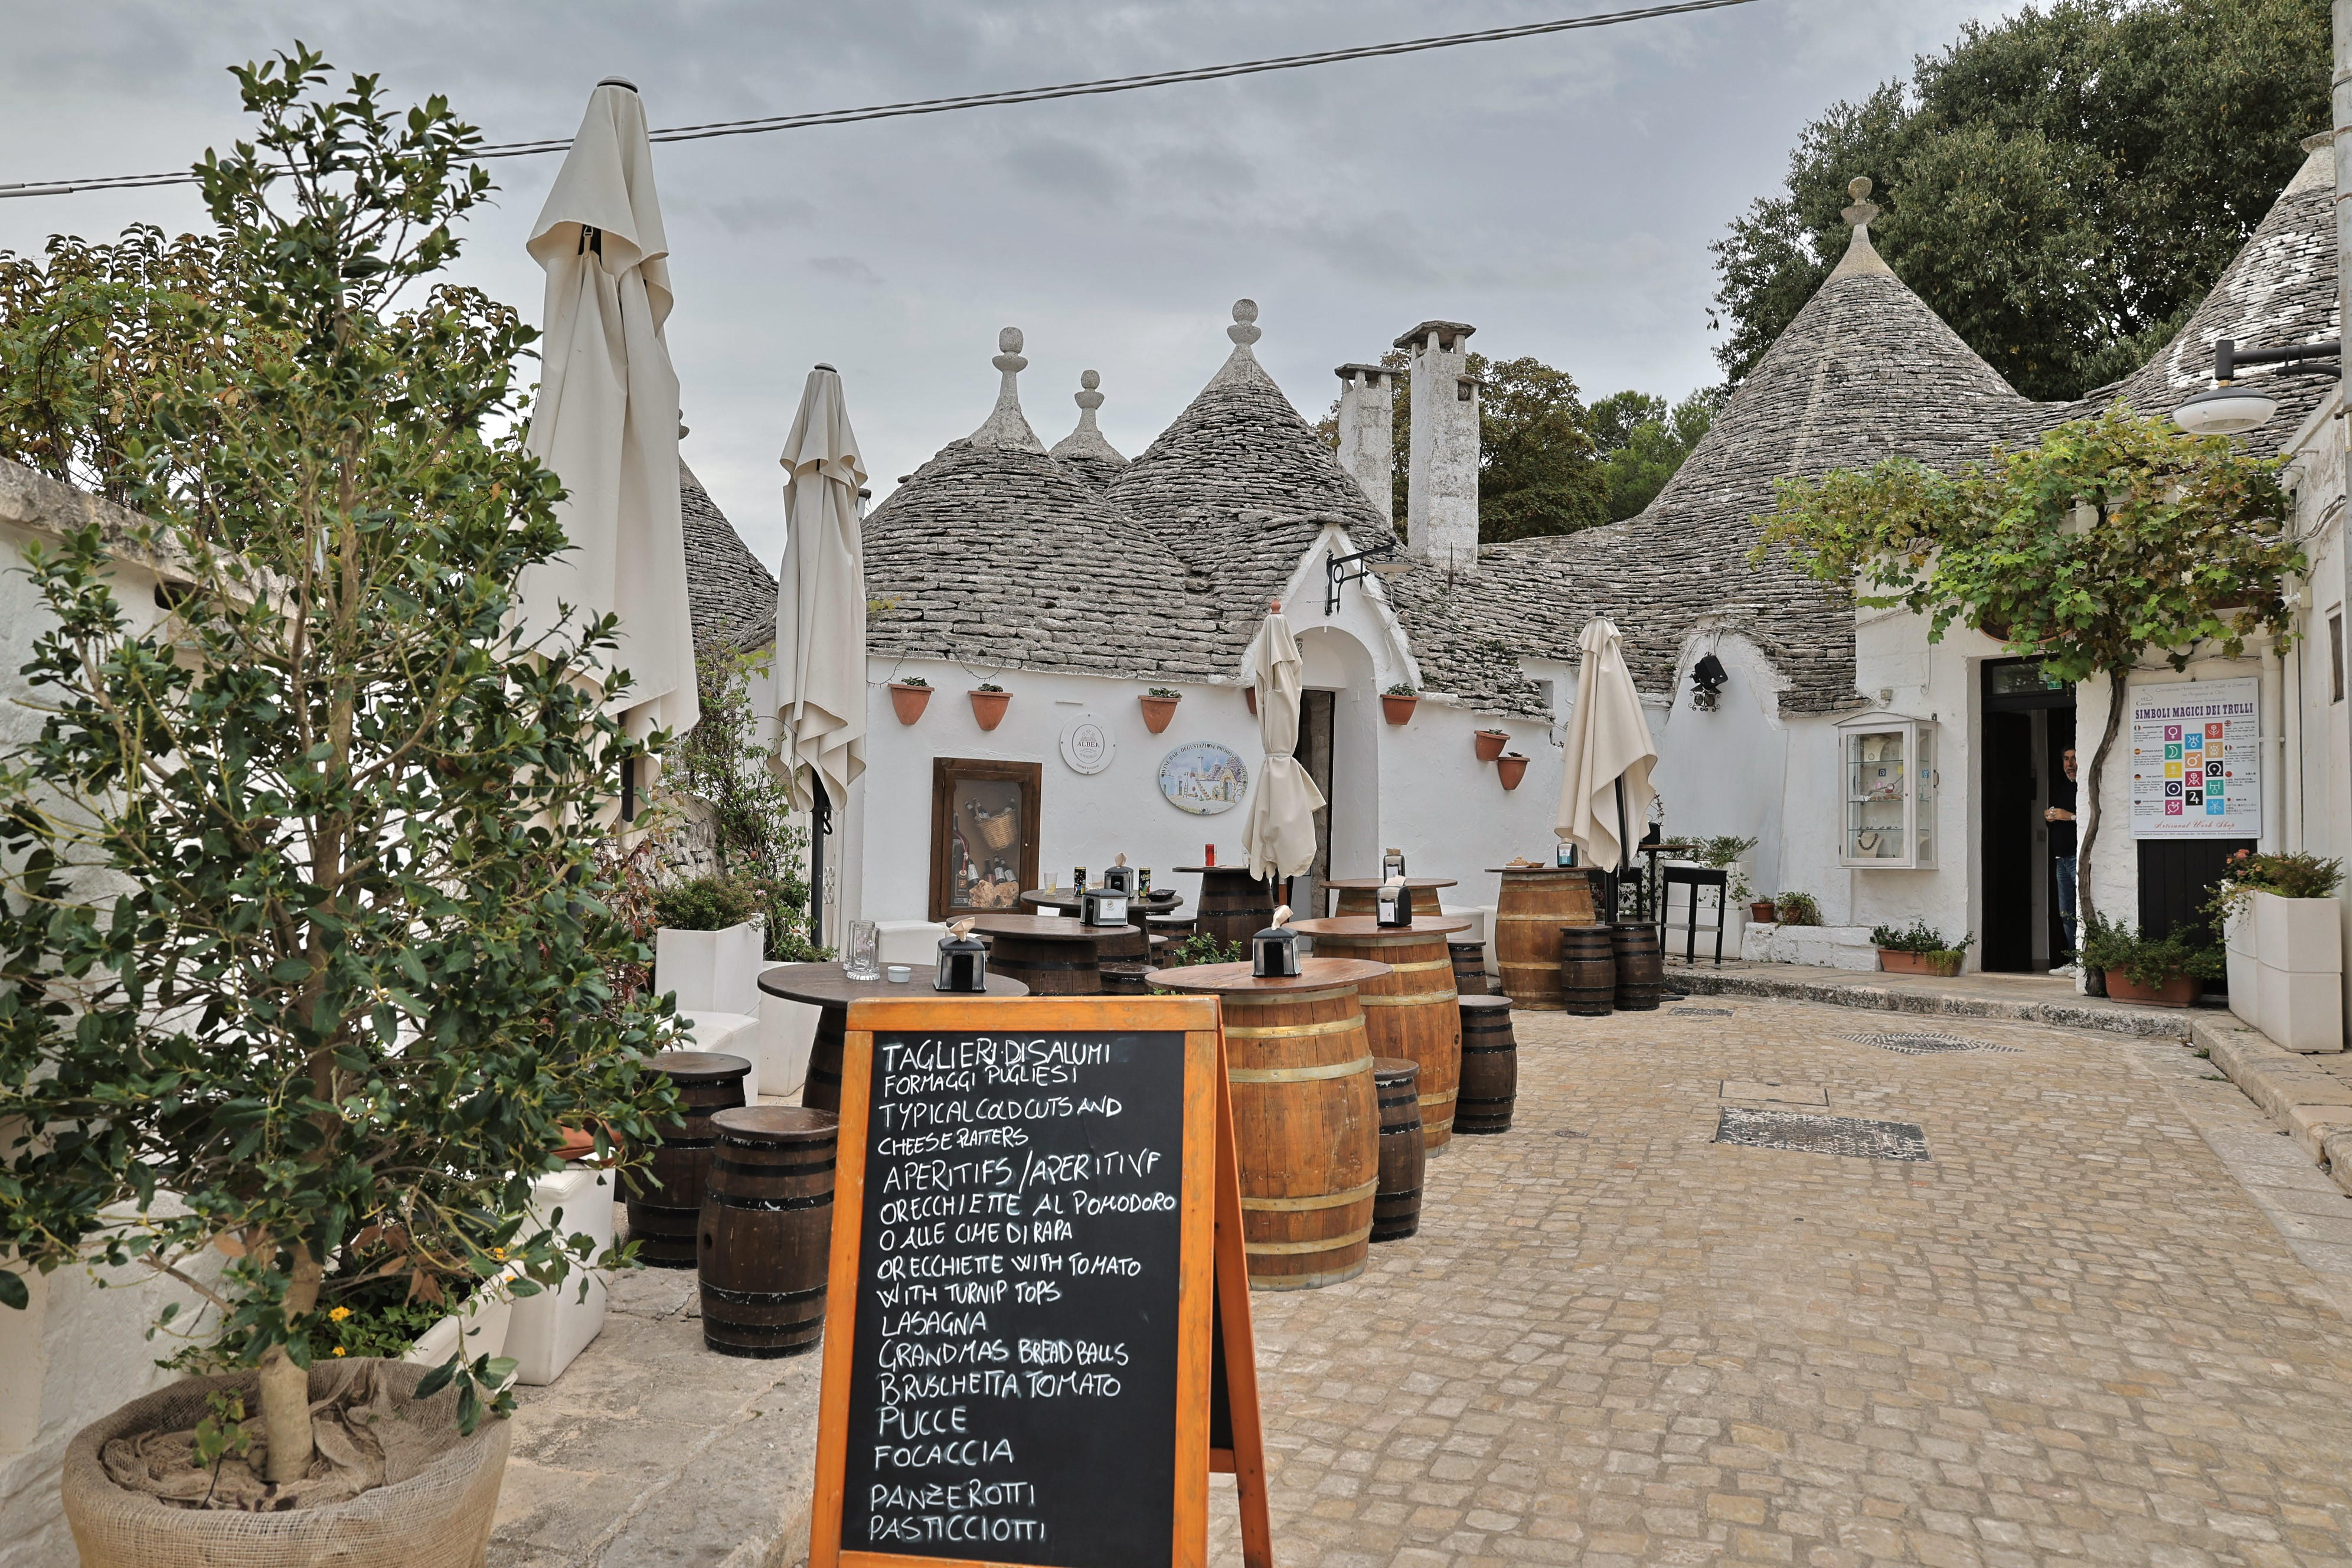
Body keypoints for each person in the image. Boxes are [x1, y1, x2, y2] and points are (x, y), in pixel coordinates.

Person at [2045, 747, 2079, 970]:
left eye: (2074, 759)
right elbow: (2055, 819)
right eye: (2066, 759)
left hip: (2078, 857)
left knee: (2082, 910)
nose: (2070, 764)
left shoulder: (2085, 787)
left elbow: (2087, 816)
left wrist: (2071, 816)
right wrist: (2048, 817)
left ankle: (2084, 961)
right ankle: (2073, 961)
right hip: (2061, 858)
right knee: (2066, 913)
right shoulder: (2061, 788)